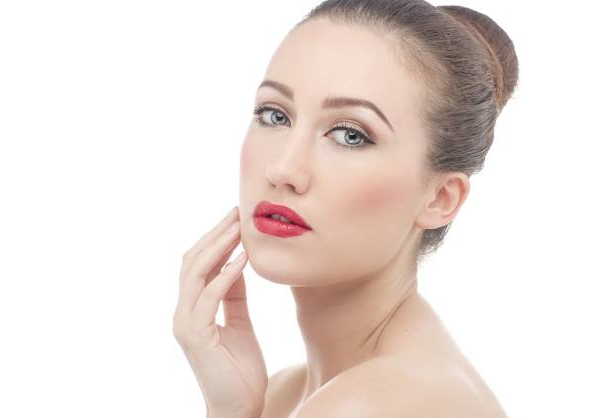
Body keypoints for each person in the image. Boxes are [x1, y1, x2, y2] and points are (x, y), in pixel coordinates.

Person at [173, 0, 519, 417]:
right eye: (275, 115)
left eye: (350, 135)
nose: (283, 169)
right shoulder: (283, 393)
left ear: (440, 198)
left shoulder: (370, 404)